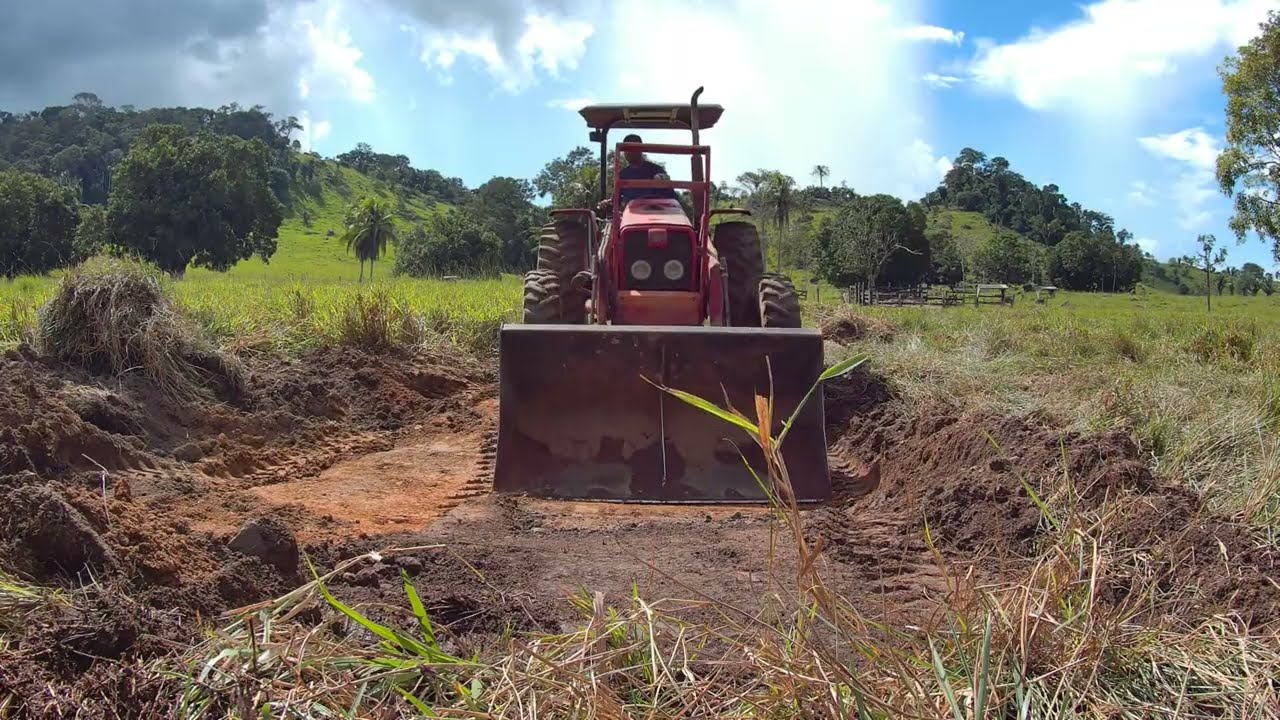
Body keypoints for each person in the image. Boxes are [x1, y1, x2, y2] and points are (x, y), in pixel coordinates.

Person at [615, 133, 678, 206]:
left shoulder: (656, 170)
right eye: (625, 150)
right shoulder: (623, 174)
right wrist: (607, 203)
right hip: (632, 213)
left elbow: (671, 197)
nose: (628, 153)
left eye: (631, 149)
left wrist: (663, 180)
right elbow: (616, 200)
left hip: (657, 210)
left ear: (640, 149)